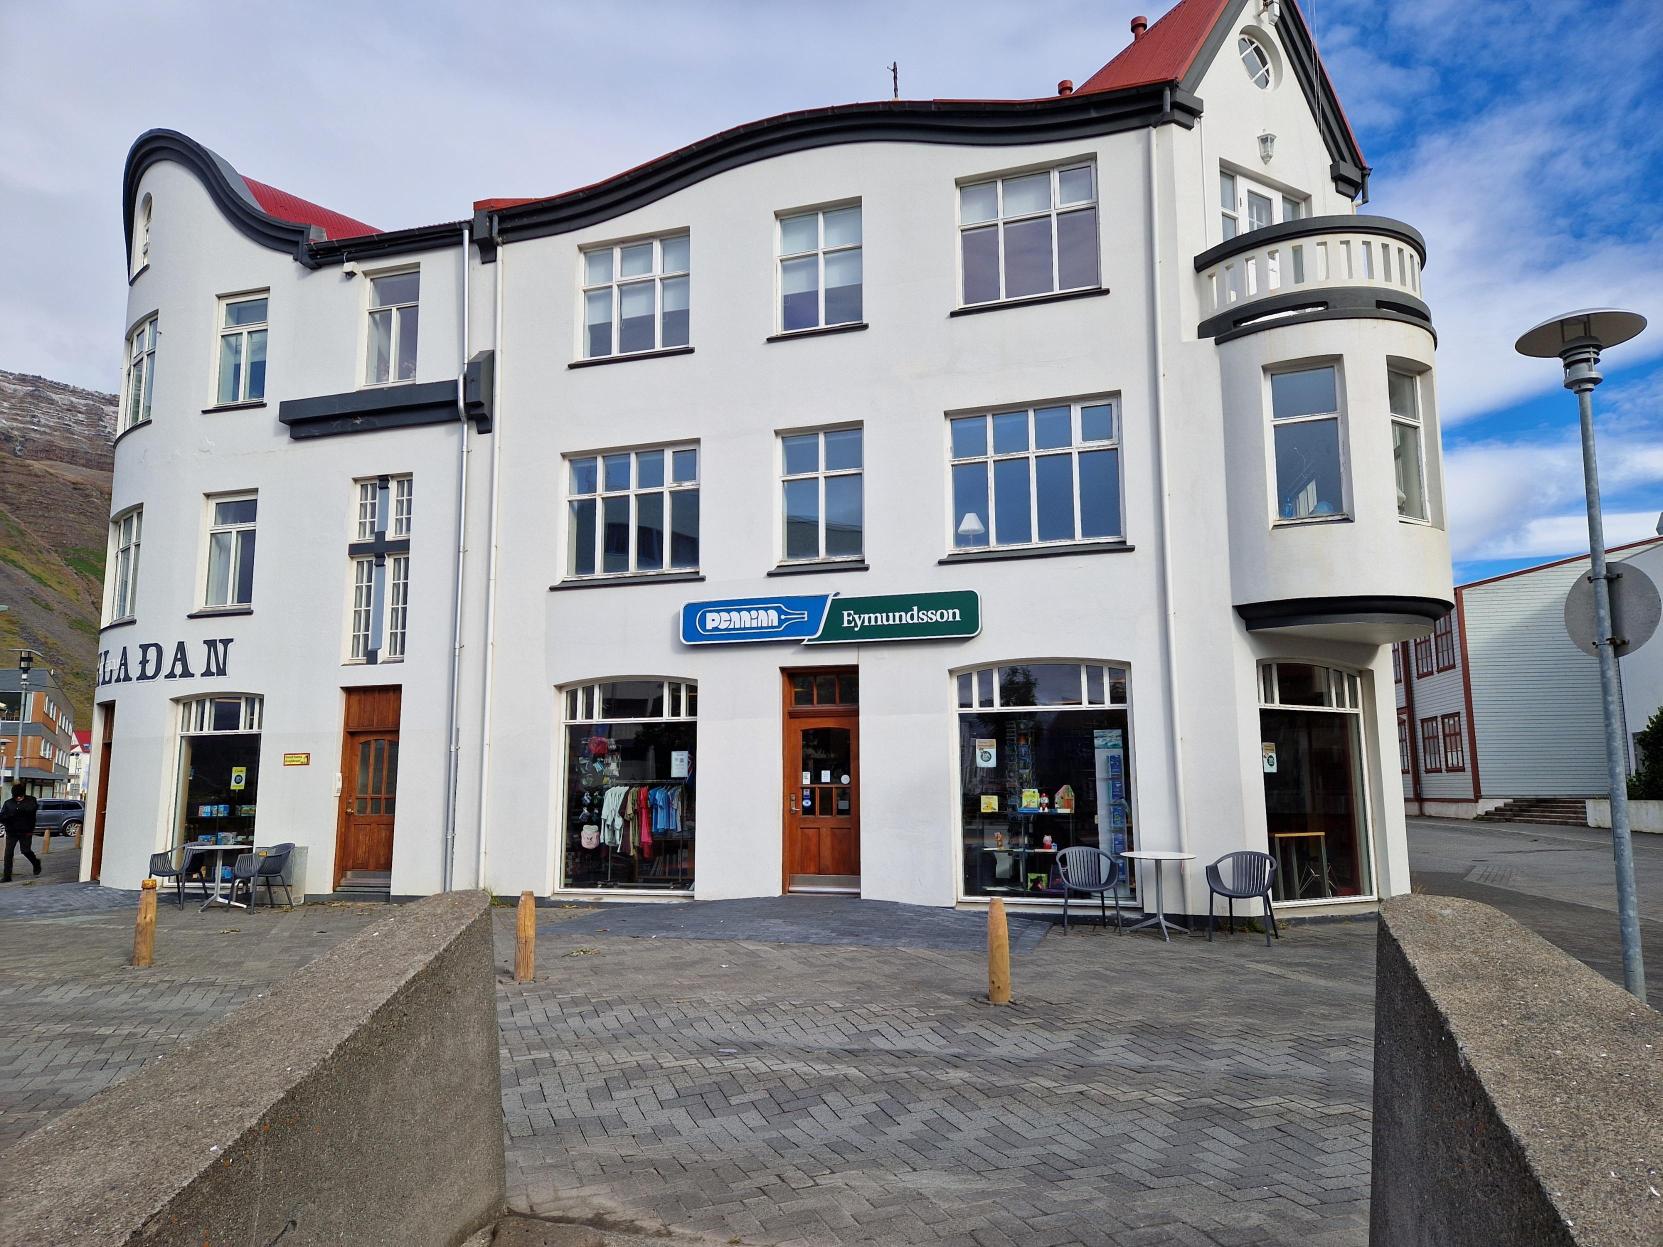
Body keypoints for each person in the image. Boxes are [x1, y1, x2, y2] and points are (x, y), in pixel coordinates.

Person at [1, 782, 41, 881]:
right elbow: (2, 816)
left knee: (25, 850)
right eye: (16, 797)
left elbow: (32, 809)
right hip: (12, 831)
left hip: (26, 831)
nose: (18, 798)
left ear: (23, 794)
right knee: (8, 853)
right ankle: (7, 876)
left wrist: (17, 811)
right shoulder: (8, 803)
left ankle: (36, 863)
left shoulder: (31, 800)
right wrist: (6, 818)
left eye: (20, 796)